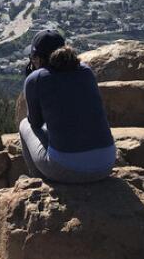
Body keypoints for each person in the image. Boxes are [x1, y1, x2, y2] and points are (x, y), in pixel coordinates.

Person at [20, 30, 115, 183]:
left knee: (24, 124)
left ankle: (38, 181)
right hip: (106, 164)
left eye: (32, 58)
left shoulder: (36, 79)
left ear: (38, 58)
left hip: (66, 170)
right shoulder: (86, 71)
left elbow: (35, 123)